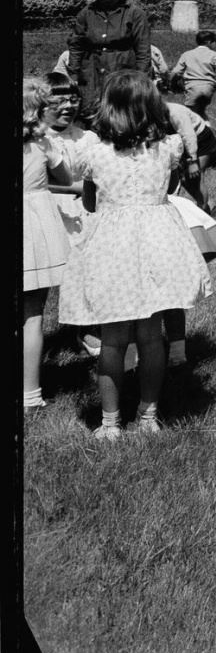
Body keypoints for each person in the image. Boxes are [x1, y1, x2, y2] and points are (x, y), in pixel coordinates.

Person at [62, 72, 214, 439]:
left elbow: (89, 199)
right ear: (152, 105)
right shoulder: (168, 147)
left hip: (112, 243)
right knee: (150, 333)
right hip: (158, 240)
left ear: (107, 106)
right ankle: (148, 417)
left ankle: (111, 422)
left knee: (113, 338)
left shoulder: (92, 151)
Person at [23, 78, 76, 412]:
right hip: (34, 225)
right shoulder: (43, 143)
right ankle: (30, 394)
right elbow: (66, 178)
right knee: (32, 315)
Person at [67, 0, 151, 110]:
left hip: (122, 71)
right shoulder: (86, 13)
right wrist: (74, 76)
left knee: (121, 110)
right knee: (91, 110)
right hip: (92, 72)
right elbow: (76, 46)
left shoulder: (134, 13)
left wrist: (141, 79)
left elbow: (143, 50)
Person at [168, 31, 216, 122]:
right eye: (214, 42)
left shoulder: (187, 54)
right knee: (201, 111)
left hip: (192, 88)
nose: (215, 45)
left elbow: (176, 71)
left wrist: (173, 84)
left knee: (189, 115)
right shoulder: (214, 55)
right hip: (208, 88)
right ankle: (209, 132)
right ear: (209, 42)